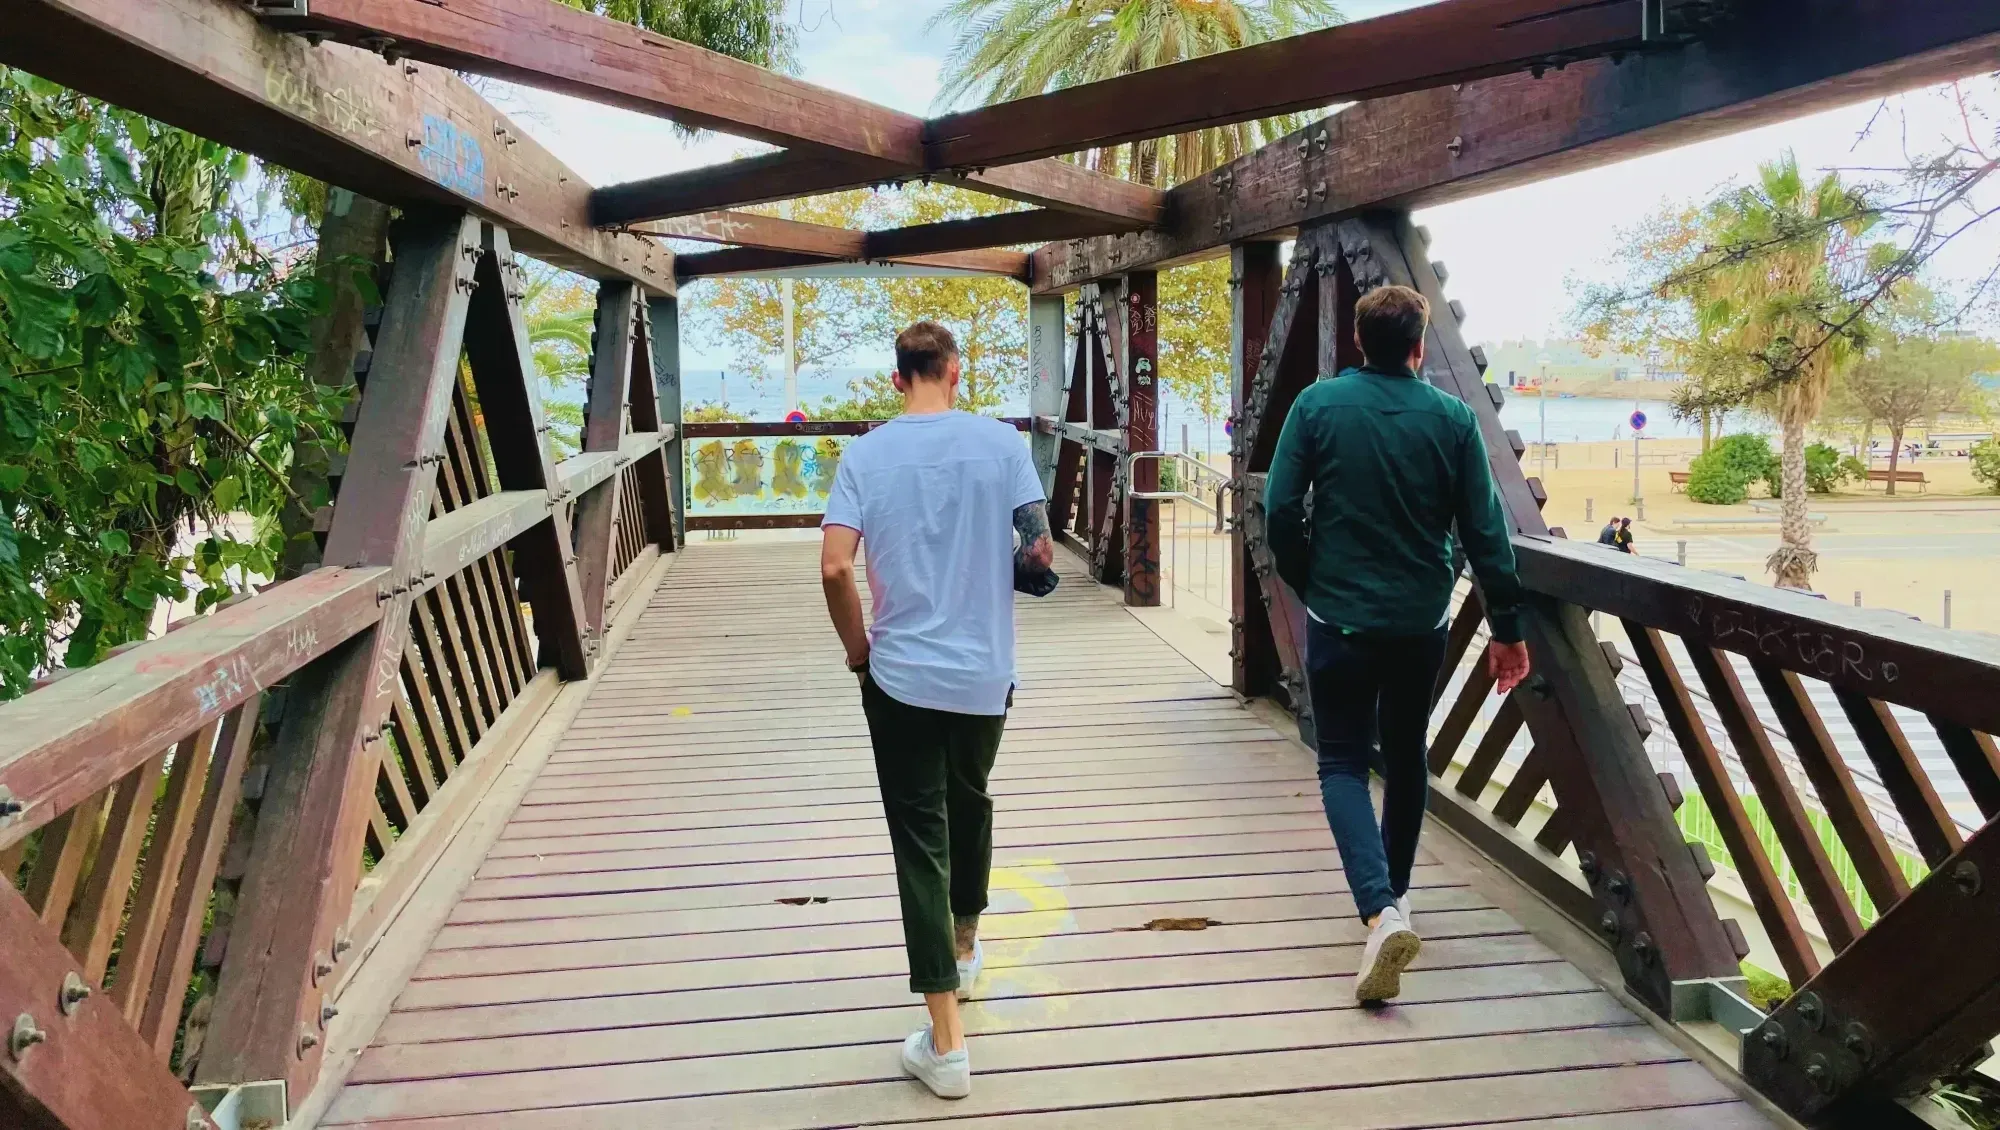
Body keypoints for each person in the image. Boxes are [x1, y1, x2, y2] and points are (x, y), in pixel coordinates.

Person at [1264, 284, 1532, 1005]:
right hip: (1420, 624)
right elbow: (1484, 532)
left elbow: (1279, 509)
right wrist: (1507, 628)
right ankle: (1398, 899)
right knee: (1407, 755)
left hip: (1340, 621)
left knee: (1344, 764)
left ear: (1359, 341)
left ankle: (1379, 909)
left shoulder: (1316, 407)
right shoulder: (1451, 419)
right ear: (1418, 348)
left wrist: (1309, 578)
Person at [819, 321, 1055, 1099]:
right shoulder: (1001, 445)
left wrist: (859, 651)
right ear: (955, 372)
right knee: (971, 801)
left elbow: (833, 569)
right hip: (986, 674)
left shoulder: (867, 454)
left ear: (897, 379)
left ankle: (946, 1044)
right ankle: (965, 939)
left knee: (921, 839)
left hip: (902, 676)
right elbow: (1040, 552)